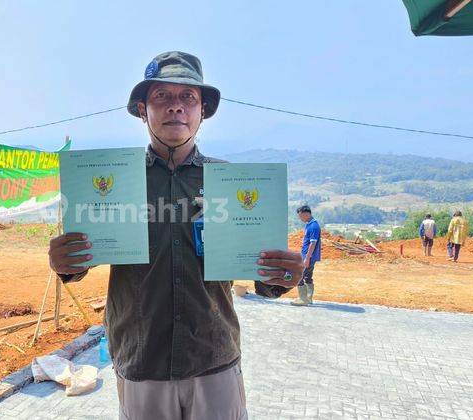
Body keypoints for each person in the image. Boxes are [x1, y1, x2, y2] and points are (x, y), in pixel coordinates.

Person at [48, 51, 304, 420]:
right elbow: (80, 257)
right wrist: (65, 262)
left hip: (213, 355)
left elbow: (259, 273)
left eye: (188, 97)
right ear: (142, 110)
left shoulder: (230, 182)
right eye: (161, 97)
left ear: (203, 111)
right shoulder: (113, 180)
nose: (175, 107)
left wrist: (279, 277)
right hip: (141, 357)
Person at [291, 205, 321, 307]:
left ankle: (303, 299)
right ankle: (308, 298)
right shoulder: (310, 224)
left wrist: (307, 258)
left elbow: (313, 243)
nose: (300, 218)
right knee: (308, 277)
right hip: (307, 255)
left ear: (306, 214)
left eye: (301, 216)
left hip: (309, 257)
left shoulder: (313, 226)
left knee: (299, 276)